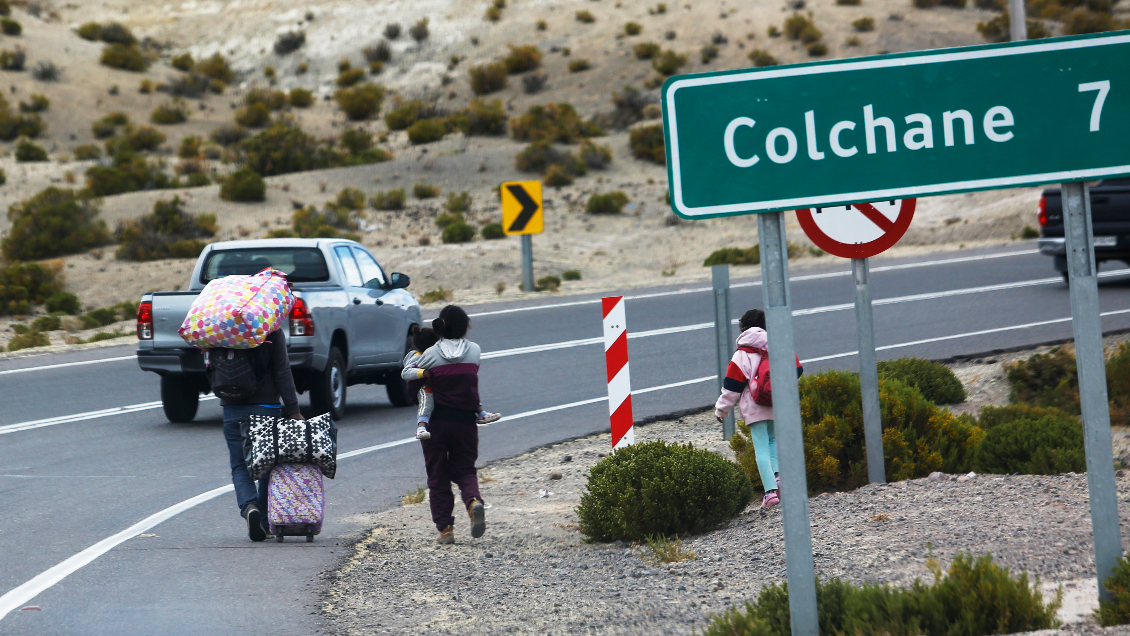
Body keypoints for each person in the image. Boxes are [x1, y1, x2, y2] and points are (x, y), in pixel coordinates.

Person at [414, 305, 490, 544]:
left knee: (437, 475)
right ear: (465, 326)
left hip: (436, 423)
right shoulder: (475, 351)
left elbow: (413, 386)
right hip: (466, 421)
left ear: (440, 326)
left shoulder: (429, 356)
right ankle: (473, 502)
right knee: (465, 469)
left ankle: (445, 529)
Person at [219, 329, 304, 542]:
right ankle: (264, 522)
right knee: (267, 465)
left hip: (232, 407)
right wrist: (293, 410)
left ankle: (249, 507)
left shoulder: (220, 329)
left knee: (240, 465)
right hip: (266, 407)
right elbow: (282, 371)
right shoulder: (270, 330)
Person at [714, 309, 802, 510]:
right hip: (777, 403)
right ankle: (779, 478)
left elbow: (732, 388)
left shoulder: (742, 354)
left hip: (755, 407)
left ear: (743, 328)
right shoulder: (779, 343)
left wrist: (721, 410)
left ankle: (770, 493)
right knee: (773, 441)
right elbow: (797, 370)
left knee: (761, 447)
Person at [402, 326, 501, 441]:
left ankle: (481, 413)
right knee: (426, 400)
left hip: (439, 383)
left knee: (464, 386)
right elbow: (405, 372)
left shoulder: (435, 354)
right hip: (424, 386)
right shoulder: (417, 357)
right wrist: (423, 372)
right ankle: (421, 427)